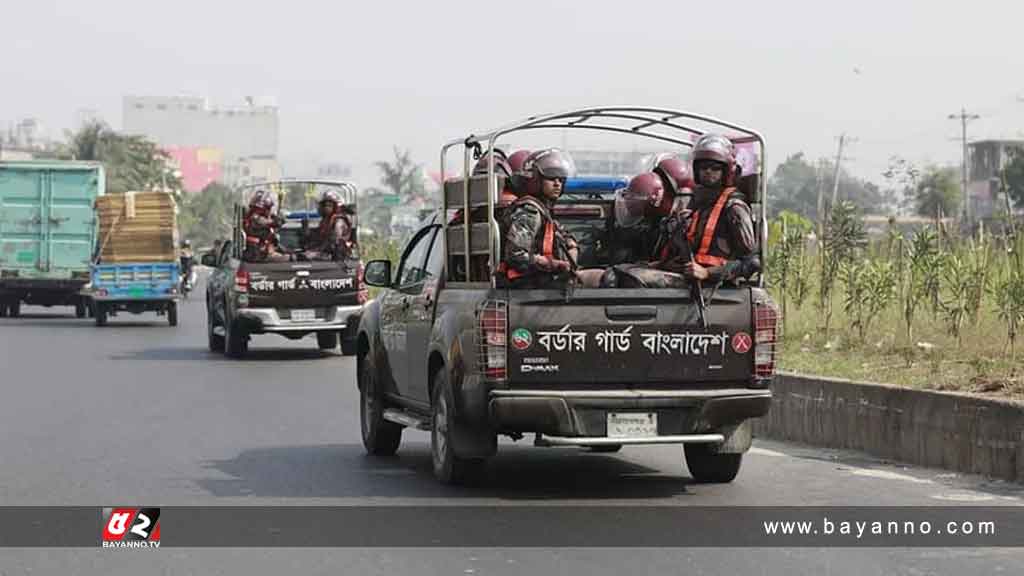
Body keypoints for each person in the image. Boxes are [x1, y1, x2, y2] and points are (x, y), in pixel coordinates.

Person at [651, 133, 760, 284]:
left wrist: (708, 273)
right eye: (703, 167)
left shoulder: (734, 208)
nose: (708, 171)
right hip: (685, 277)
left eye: (715, 168)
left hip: (712, 285)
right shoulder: (698, 205)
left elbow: (751, 263)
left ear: (726, 171)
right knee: (620, 273)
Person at [500, 148, 579, 288]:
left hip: (541, 283)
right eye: (551, 178)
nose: (557, 184)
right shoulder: (530, 212)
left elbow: (561, 233)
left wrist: (571, 244)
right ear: (536, 180)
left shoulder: (543, 210)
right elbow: (516, 256)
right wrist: (552, 264)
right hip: (529, 285)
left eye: (561, 179)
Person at [306, 188, 354, 261]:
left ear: (336, 207)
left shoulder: (339, 222)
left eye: (330, 205)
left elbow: (334, 240)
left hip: (335, 255)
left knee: (305, 256)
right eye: (324, 205)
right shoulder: (325, 221)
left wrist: (317, 251)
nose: (326, 208)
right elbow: (319, 237)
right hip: (325, 252)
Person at [242, 189, 289, 262]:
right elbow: (272, 223)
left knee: (288, 256)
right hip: (255, 254)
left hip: (261, 252)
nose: (269, 211)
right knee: (287, 258)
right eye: (268, 208)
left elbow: (275, 224)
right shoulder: (255, 217)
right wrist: (278, 219)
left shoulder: (259, 216)